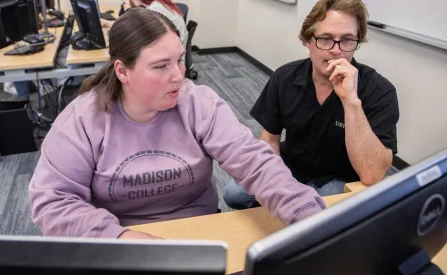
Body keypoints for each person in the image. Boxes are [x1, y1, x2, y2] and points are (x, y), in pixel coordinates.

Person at [28, 8, 325, 240]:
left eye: (180, 61)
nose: (178, 75)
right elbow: (53, 201)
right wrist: (119, 237)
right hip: (123, 242)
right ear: (123, 71)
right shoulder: (83, 119)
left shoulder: (197, 102)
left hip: (200, 232)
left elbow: (255, 162)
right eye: (160, 66)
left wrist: (306, 213)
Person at [223, 0, 399, 209]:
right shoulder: (285, 77)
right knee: (234, 193)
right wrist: (275, 181)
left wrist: (351, 102)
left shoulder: (379, 91)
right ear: (307, 40)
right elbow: (270, 140)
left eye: (347, 40)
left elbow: (372, 174)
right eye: (326, 39)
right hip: (291, 166)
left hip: (340, 179)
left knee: (320, 208)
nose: (337, 50)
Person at [101, 0, 188, 49]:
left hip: (171, 59)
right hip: (171, 51)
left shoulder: (154, 9)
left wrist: (127, 7)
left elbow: (130, 28)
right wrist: (107, 23)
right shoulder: (159, 3)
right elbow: (133, 23)